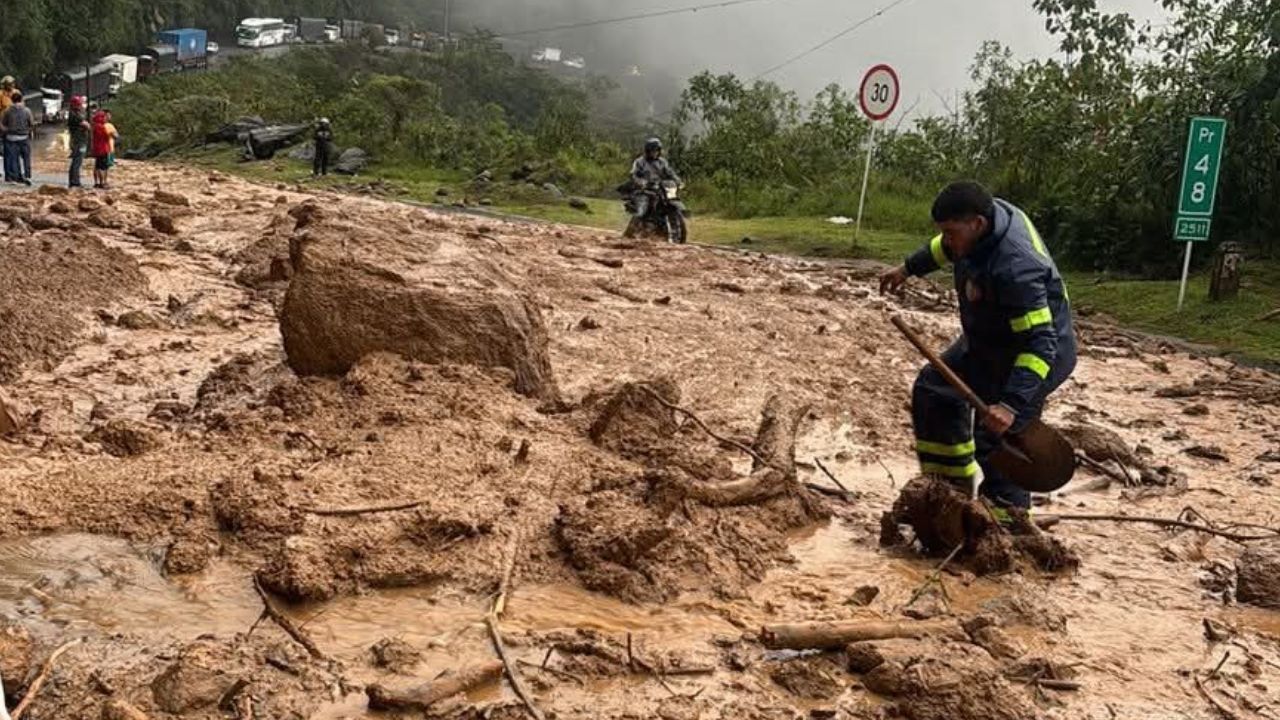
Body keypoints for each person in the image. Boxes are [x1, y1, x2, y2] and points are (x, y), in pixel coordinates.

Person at [879, 181, 1077, 515]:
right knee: (934, 389)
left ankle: (1007, 526)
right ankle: (947, 492)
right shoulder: (979, 224)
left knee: (997, 439)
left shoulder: (1016, 267)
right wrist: (908, 268)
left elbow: (1040, 342)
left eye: (951, 233)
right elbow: (943, 248)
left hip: (1034, 355)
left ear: (978, 224)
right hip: (990, 340)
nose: (947, 240)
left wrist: (1010, 405)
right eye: (943, 231)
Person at [629, 137, 680, 220]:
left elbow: (670, 172)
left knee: (668, 199)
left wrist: (677, 181)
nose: (655, 153)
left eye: (657, 150)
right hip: (645, 189)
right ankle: (637, 221)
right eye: (653, 150)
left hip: (659, 188)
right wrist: (641, 182)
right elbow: (633, 174)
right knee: (642, 209)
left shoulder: (662, 162)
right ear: (648, 151)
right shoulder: (640, 162)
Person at [1, 91, 35, 185]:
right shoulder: (27, 111)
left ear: (12, 100)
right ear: (21, 99)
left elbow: (2, 124)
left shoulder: (7, 111)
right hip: (24, 137)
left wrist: (6, 131)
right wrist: (29, 131)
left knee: (13, 158)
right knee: (26, 158)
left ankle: (15, 177)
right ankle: (27, 175)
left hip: (11, 138)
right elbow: (31, 124)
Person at [67, 96, 90, 188]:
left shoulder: (74, 113)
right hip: (79, 141)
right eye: (79, 104)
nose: (81, 106)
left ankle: (74, 181)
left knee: (76, 161)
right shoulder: (75, 115)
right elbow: (87, 126)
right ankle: (75, 182)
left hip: (77, 140)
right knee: (77, 162)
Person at [90, 109, 116, 189]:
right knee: (103, 168)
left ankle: (97, 183)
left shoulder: (94, 127)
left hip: (97, 149)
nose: (105, 118)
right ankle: (103, 183)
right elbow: (113, 136)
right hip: (104, 149)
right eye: (104, 117)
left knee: (97, 166)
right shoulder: (103, 127)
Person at [0, 77, 14, 182]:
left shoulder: (16, 93)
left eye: (13, 83)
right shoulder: (1, 95)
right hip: (2, 125)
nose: (12, 85)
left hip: (13, 126)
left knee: (11, 151)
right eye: (10, 84)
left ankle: (11, 173)